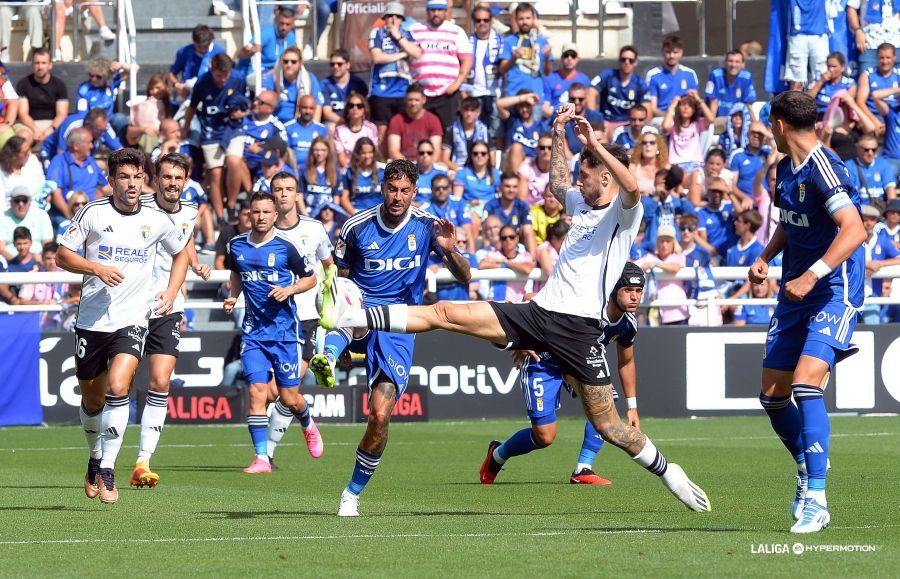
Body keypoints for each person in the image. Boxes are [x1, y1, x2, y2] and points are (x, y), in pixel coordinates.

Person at [319, 104, 711, 515]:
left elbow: (632, 187)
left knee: (609, 426)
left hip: (580, 332)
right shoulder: (581, 203)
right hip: (538, 313)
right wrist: (558, 134)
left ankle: (670, 473)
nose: (578, 180)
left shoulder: (624, 213)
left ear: (605, 176)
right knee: (445, 313)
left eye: (586, 173)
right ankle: (353, 316)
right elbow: (557, 183)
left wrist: (595, 143)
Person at [309, 159, 471, 516]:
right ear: (382, 188)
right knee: (349, 303)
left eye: (405, 191)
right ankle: (329, 354)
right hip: (361, 310)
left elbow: (465, 277)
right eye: (392, 189)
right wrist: (337, 322)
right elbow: (341, 283)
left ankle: (351, 493)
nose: (398, 197)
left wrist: (450, 250)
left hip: (399, 323)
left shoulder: (427, 226)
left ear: (414, 192)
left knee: (380, 416)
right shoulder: (356, 227)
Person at [748, 90, 867, 534]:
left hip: (833, 288)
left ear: (779, 125)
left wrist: (813, 275)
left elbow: (854, 229)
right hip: (795, 291)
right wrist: (766, 255)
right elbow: (789, 222)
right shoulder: (785, 169)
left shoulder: (824, 167)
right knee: (772, 394)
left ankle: (817, 498)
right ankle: (806, 463)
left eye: (769, 125)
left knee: (805, 382)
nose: (770, 132)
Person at [57, 148, 190, 504]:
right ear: (111, 180)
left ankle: (108, 468)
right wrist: (95, 268)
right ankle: (94, 457)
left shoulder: (157, 219)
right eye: (124, 177)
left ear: (144, 179)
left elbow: (182, 252)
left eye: (137, 177)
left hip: (132, 320)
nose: (132, 184)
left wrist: (172, 292)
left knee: (119, 386)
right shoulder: (93, 213)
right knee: (93, 398)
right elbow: (62, 255)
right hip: (91, 322)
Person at [481, 264, 646, 485]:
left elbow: (626, 362)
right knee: (544, 436)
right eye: (628, 290)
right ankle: (497, 455)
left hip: (577, 364)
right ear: (613, 289)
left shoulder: (627, 323)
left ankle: (583, 469)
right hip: (543, 363)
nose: (634, 297)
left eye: (639, 291)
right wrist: (522, 337)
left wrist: (632, 406)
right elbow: (529, 298)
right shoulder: (586, 303)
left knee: (607, 400)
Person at [223, 190, 321, 473]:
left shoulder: (286, 247)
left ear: (275, 215)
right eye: (256, 212)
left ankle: (307, 422)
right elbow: (236, 274)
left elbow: (311, 278)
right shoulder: (236, 246)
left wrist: (290, 289)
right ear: (249, 214)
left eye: (266, 212)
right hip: (253, 333)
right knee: (256, 393)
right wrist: (233, 297)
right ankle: (262, 458)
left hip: (285, 334)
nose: (261, 217)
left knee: (289, 398)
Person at [129, 153, 211, 488]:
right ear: (155, 179)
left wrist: (195, 264)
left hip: (168, 305)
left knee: (160, 381)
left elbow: (184, 241)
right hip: (132, 304)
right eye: (166, 177)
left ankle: (142, 461)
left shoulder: (191, 210)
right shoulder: (139, 206)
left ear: (186, 180)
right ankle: (102, 455)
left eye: (178, 178)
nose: (172, 183)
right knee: (117, 383)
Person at [266, 171, 334, 464]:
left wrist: (331, 306)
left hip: (304, 319)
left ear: (297, 195)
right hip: (270, 320)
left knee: (282, 389)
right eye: (278, 189)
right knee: (269, 393)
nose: (283, 194)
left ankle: (267, 453)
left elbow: (330, 267)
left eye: (289, 189)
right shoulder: (264, 232)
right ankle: (302, 421)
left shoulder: (314, 229)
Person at [182, 53, 247, 222]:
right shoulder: (202, 82)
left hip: (233, 128)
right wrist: (185, 129)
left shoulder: (239, 78)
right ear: (212, 70)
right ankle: (220, 216)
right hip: (211, 130)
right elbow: (192, 107)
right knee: (216, 174)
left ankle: (231, 205)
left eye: (226, 75)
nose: (223, 79)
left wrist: (241, 113)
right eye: (219, 75)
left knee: (234, 161)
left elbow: (246, 105)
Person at [409, 0, 473, 131]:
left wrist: (456, 84)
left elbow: (467, 59)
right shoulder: (415, 30)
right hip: (422, 92)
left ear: (446, 11)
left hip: (447, 92)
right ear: (427, 11)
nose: (436, 13)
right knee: (422, 132)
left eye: (439, 10)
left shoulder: (456, 31)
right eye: (432, 10)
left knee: (447, 133)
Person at [367, 2, 422, 149]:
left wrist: (398, 37)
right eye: (390, 16)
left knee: (402, 130)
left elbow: (417, 53)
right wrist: (403, 54)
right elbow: (377, 57)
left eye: (397, 16)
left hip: (403, 91)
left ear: (402, 20)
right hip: (381, 91)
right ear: (384, 18)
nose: (393, 19)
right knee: (381, 131)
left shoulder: (407, 35)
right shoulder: (377, 33)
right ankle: (381, 161)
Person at [224, 89, 286, 212]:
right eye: (256, 99)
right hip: (237, 167)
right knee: (237, 161)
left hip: (261, 167)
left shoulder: (275, 125)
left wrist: (262, 146)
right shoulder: (244, 118)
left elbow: (283, 145)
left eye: (260, 102)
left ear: (270, 109)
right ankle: (242, 199)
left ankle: (250, 195)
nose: (255, 103)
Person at [46, 128, 111, 227]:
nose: (91, 146)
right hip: (67, 216)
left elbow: (106, 188)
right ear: (76, 146)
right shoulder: (59, 161)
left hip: (91, 215)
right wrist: (72, 218)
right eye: (89, 142)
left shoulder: (90, 161)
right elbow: (56, 195)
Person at [499, 3, 553, 113]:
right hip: (514, 95)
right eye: (521, 18)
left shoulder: (542, 41)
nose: (524, 22)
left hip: (535, 97)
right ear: (516, 20)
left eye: (528, 18)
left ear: (533, 19)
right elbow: (502, 69)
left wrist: (547, 58)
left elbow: (548, 73)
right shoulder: (508, 41)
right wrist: (513, 58)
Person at [461, 5, 503, 144]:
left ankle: (496, 156)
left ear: (491, 21)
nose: (482, 23)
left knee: (496, 131)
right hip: (473, 93)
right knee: (475, 132)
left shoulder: (501, 41)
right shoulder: (466, 42)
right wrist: (463, 91)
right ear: (474, 22)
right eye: (478, 20)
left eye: (486, 20)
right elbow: (461, 67)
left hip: (495, 93)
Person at [636, 224, 689, 325]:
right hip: (656, 313)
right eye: (662, 241)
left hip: (678, 312)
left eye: (668, 241)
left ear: (674, 243)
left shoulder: (679, 256)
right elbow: (634, 266)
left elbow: (676, 267)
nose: (664, 245)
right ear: (657, 242)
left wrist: (656, 264)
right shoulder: (649, 257)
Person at [14, 49, 68, 144]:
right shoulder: (23, 84)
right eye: (37, 63)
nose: (40, 67)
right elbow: (23, 114)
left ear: (50, 65)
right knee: (23, 136)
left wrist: (49, 130)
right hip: (29, 124)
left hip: (52, 123)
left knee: (68, 134)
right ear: (32, 65)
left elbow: (62, 114)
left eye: (43, 63)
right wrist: (35, 130)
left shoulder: (59, 85)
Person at [592, 46, 648, 137]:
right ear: (619, 61)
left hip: (628, 123)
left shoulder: (640, 83)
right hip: (606, 121)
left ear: (635, 62)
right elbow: (590, 93)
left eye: (631, 60)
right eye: (623, 59)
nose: (627, 62)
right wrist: (597, 119)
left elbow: (647, 109)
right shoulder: (607, 75)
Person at [261, 46, 325, 125]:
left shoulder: (309, 79)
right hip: (275, 124)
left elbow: (318, 105)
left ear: (300, 63)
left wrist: (313, 128)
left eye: (293, 62)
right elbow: (263, 104)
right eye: (285, 61)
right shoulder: (273, 78)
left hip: (300, 124)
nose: (289, 65)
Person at [861, 203, 900, 323]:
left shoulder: (882, 240)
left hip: (873, 297)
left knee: (872, 329)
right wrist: (867, 264)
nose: (868, 223)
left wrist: (879, 264)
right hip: (850, 296)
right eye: (865, 220)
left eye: (872, 220)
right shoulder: (849, 240)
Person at [168, 25, 226, 106]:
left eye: (205, 47)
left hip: (210, 93)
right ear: (194, 42)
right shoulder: (184, 51)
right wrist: (177, 85)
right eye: (199, 47)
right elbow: (172, 73)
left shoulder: (219, 52)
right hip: (187, 93)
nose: (202, 50)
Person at [484, 171, 536, 257]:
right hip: (495, 248)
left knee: (530, 231)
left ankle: (531, 259)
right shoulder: (490, 206)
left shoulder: (523, 206)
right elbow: (486, 234)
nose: (511, 190)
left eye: (514, 187)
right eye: (507, 186)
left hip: (516, 246)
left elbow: (528, 233)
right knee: (492, 228)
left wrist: (532, 258)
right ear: (500, 187)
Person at [477, 224, 535, 301]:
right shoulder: (494, 254)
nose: (508, 240)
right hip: (497, 301)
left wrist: (506, 262)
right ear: (500, 240)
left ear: (517, 238)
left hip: (518, 302)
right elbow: (481, 265)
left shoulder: (525, 256)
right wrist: (504, 266)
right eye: (504, 238)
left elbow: (527, 269)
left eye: (511, 237)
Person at [645, 35, 698, 117]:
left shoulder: (690, 74)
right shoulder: (653, 75)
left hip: (685, 118)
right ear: (662, 52)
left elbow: (694, 102)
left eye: (675, 52)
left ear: (681, 53)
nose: (671, 56)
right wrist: (669, 117)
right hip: (662, 117)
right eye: (668, 52)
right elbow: (652, 108)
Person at [386, 84, 442, 161]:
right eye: (410, 100)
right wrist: (409, 166)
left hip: (426, 162)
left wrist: (426, 165)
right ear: (405, 100)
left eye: (417, 100)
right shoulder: (396, 120)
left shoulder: (433, 120)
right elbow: (394, 151)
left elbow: (436, 151)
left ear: (424, 100)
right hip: (403, 163)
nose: (413, 103)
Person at [662, 91, 714, 175]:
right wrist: (672, 106)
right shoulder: (673, 125)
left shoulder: (697, 124)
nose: (686, 107)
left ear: (694, 110)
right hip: (676, 164)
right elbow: (665, 126)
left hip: (695, 164)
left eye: (690, 106)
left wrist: (698, 99)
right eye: (683, 105)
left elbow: (711, 119)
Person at [420, 173, 474, 251]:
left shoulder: (459, 203)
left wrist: (471, 255)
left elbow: (467, 231)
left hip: (458, 245)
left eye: (444, 188)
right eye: (437, 188)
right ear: (431, 189)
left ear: (450, 188)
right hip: (435, 247)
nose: (441, 191)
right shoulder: (424, 209)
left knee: (460, 233)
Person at [783, 0, 829, 91]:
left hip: (818, 35)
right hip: (798, 36)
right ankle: (794, 101)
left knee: (821, 75)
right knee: (797, 78)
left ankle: (821, 100)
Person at [237, 6, 298, 74]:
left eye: (288, 24)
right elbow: (240, 55)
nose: (284, 27)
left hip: (277, 71)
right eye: (281, 23)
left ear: (293, 24)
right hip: (257, 72)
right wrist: (248, 51)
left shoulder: (291, 37)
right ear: (276, 21)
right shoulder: (266, 34)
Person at [0, 185, 52, 260]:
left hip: (38, 262)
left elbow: (47, 245)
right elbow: (1, 249)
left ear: (30, 202)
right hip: (10, 262)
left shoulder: (42, 215)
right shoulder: (2, 217)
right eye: (17, 200)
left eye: (24, 200)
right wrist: (19, 264)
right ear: (11, 202)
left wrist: (34, 262)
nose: (21, 204)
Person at [847, 2, 900, 76]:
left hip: (897, 45)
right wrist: (857, 31)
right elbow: (851, 8)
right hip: (870, 45)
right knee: (866, 79)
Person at [498, 90, 546, 171]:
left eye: (528, 105)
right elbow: (499, 104)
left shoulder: (540, 126)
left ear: (533, 106)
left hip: (533, 165)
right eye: (521, 106)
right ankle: (515, 178)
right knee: (517, 147)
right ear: (517, 107)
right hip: (512, 163)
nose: (524, 109)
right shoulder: (512, 121)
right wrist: (524, 98)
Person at [844, 133, 897, 205]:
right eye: (866, 150)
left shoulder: (882, 163)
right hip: (858, 207)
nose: (870, 153)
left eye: (874, 150)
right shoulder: (849, 165)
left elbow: (890, 189)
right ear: (858, 149)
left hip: (878, 207)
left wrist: (892, 208)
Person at [321, 49, 369, 126]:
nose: (335, 67)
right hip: (335, 122)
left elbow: (365, 108)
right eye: (332, 64)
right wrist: (345, 124)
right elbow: (327, 113)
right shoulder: (325, 84)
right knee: (331, 127)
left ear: (348, 65)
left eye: (339, 64)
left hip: (356, 122)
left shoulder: (358, 84)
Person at [704, 50, 757, 119]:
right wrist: (712, 123)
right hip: (720, 119)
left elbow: (749, 104)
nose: (733, 65)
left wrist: (755, 122)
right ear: (725, 63)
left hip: (738, 120)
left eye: (737, 62)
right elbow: (713, 102)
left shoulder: (747, 77)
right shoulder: (715, 75)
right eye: (730, 61)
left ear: (743, 64)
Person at [541, 43, 591, 114]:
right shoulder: (549, 80)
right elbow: (545, 108)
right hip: (556, 117)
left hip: (577, 118)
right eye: (566, 55)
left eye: (573, 56)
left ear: (577, 59)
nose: (569, 58)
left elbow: (588, 105)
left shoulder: (584, 80)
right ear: (561, 58)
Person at [441, 96, 489, 171]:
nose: (469, 114)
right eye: (466, 110)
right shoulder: (452, 130)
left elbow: (492, 159)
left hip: (479, 170)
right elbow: (445, 159)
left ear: (478, 112)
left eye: (472, 110)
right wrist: (462, 172)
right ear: (461, 111)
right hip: (457, 170)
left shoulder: (484, 131)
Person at [340, 137, 384, 214]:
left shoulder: (384, 170)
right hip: (357, 212)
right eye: (363, 153)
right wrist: (355, 215)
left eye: (370, 152)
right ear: (357, 154)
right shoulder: (349, 171)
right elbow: (344, 198)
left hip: (380, 213)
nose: (367, 156)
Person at [334, 92, 378, 169]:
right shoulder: (340, 130)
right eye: (351, 106)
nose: (355, 108)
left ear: (364, 109)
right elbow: (342, 159)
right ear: (347, 109)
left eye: (359, 106)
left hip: (367, 168)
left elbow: (373, 154)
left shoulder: (371, 128)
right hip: (348, 169)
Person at [729, 121, 772, 201]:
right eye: (753, 132)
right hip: (746, 202)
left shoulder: (768, 152)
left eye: (760, 133)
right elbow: (732, 185)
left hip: (766, 202)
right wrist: (745, 198)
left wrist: (768, 133)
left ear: (764, 136)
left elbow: (781, 154)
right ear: (748, 134)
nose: (756, 135)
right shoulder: (737, 155)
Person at [285, 94, 328, 172]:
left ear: (315, 109)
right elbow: (285, 152)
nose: (307, 111)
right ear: (299, 108)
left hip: (314, 171)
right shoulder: (288, 127)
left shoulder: (322, 129)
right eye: (304, 107)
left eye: (311, 108)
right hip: (293, 170)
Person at [301, 136, 341, 215]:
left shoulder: (335, 171)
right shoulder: (304, 169)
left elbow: (336, 195)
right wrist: (305, 213)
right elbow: (299, 194)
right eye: (316, 150)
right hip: (309, 213)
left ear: (328, 151)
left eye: (323, 150)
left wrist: (333, 213)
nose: (319, 153)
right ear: (312, 151)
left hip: (328, 213)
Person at [629, 129, 669, 197]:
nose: (648, 145)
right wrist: (641, 195)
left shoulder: (667, 168)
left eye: (652, 142)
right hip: (640, 202)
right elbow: (628, 194)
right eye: (644, 143)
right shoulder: (632, 168)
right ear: (640, 147)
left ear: (658, 147)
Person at [517, 132, 552, 205]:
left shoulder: (560, 168)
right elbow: (522, 199)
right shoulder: (526, 166)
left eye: (550, 148)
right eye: (542, 148)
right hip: (530, 208)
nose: (546, 151)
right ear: (537, 149)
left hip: (549, 209)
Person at [413, 139, 447, 205]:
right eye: (421, 153)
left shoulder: (442, 173)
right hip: (414, 208)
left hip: (435, 209)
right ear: (417, 154)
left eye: (429, 153)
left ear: (433, 154)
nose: (425, 156)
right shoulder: (409, 173)